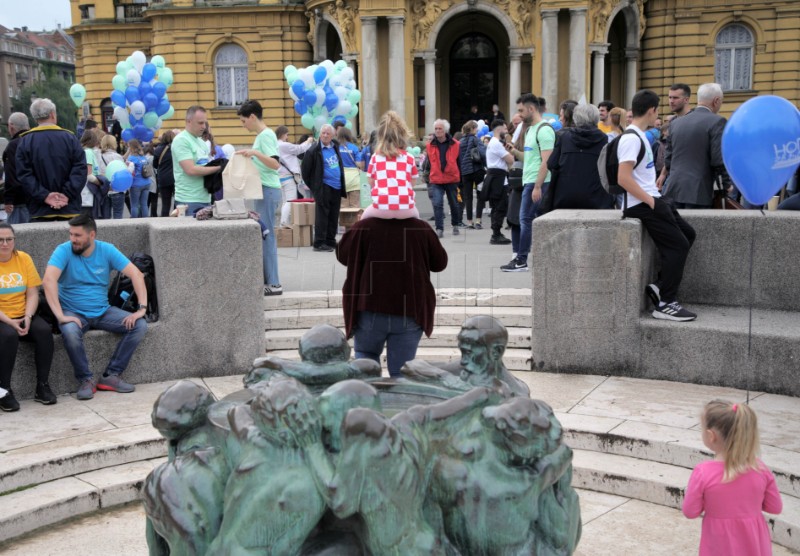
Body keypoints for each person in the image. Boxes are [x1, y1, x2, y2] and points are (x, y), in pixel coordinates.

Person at [336, 184, 448, 376]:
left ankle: (368, 403)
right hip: (410, 311)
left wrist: (359, 223)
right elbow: (440, 263)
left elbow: (343, 255)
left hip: (369, 309)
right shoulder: (421, 228)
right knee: (402, 374)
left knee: (366, 367)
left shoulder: (362, 227)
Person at [42, 214, 149, 400]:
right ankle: (85, 380)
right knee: (69, 332)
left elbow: (137, 275)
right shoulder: (63, 250)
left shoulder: (107, 250)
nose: (72, 239)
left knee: (140, 325)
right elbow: (49, 280)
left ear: (92, 235)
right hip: (72, 312)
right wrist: (60, 315)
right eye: (71, 234)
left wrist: (142, 309)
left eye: (77, 235)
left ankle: (111, 376)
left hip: (103, 311)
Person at [617, 89, 697, 321]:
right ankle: (666, 303)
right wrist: (653, 202)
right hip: (642, 204)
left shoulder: (640, 135)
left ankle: (661, 285)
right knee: (678, 246)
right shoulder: (631, 138)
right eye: (657, 109)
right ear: (652, 110)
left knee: (688, 235)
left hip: (652, 199)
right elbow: (623, 178)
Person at [682, 400, 783, 555]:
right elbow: (775, 507)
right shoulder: (761, 469)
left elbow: (690, 511)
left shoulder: (703, 472)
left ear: (711, 435)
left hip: (719, 546)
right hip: (754, 546)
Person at [0, 223, 57, 411]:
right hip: (2, 317)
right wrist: (10, 322)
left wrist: (28, 316)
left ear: (14, 240)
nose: (5, 243)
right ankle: (3, 390)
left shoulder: (23, 258)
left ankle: (42, 386)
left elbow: (33, 293)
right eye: (0, 240)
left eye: (9, 239)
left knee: (44, 331)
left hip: (24, 312)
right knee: (8, 336)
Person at [501, 94, 555, 273]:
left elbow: (546, 161)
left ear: (531, 109)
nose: (519, 114)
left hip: (537, 182)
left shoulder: (544, 130)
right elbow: (530, 158)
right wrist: (514, 151)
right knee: (528, 220)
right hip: (530, 181)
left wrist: (538, 186)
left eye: (521, 110)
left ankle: (521, 260)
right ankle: (524, 258)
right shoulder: (531, 130)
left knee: (526, 220)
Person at [236, 100, 283, 296]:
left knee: (267, 235)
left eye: (243, 120)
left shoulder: (266, 135)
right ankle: (270, 280)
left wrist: (254, 152)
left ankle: (274, 283)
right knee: (264, 234)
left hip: (267, 189)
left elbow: (275, 163)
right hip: (263, 189)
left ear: (252, 117)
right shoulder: (264, 135)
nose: (243, 124)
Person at [15, 98, 85, 222]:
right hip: (69, 209)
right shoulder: (70, 138)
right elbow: (80, 169)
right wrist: (66, 194)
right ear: (53, 114)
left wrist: (44, 196)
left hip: (39, 209)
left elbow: (24, 175)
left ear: (35, 118)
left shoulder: (25, 141)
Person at [662, 83, 731, 209]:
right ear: (716, 101)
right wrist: (726, 185)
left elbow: (668, 159)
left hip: (673, 190)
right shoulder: (717, 122)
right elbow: (718, 160)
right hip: (699, 192)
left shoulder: (675, 123)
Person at [546, 104, 614, 209]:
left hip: (566, 196)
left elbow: (551, 163)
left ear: (575, 118)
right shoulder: (605, 140)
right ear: (596, 119)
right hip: (598, 198)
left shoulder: (564, 137)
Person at [361, 111, 420, 220]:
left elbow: (370, 181)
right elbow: (413, 182)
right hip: (406, 208)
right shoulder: (409, 158)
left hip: (381, 207)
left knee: (362, 221)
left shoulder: (375, 157)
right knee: (418, 222)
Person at [301, 124, 346, 252]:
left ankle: (330, 241)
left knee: (333, 215)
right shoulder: (313, 150)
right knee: (322, 216)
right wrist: (315, 187)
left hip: (336, 187)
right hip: (323, 187)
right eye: (323, 133)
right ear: (319, 134)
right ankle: (319, 242)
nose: (325, 135)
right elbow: (305, 171)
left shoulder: (335, 146)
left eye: (328, 133)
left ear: (333, 135)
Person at [171, 106, 222, 217]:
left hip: (205, 198)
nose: (204, 127)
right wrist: (219, 168)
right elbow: (191, 170)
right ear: (188, 121)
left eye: (205, 123)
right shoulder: (181, 140)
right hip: (188, 200)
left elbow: (205, 166)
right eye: (200, 123)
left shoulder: (201, 141)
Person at [425, 119, 461, 238]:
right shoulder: (429, 145)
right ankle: (439, 228)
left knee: (454, 204)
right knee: (437, 203)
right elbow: (428, 162)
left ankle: (455, 224)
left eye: (440, 128)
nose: (437, 131)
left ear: (445, 130)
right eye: (436, 129)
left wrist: (461, 178)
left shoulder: (456, 144)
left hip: (451, 178)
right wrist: (426, 175)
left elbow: (459, 162)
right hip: (436, 179)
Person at [482, 119, 513, 244]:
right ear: (499, 129)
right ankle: (496, 234)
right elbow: (510, 159)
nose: (506, 132)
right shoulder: (496, 143)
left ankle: (496, 232)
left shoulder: (494, 142)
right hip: (497, 178)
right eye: (505, 129)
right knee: (499, 206)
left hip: (497, 176)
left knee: (497, 206)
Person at [276, 125, 314, 226]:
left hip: (279, 176)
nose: (287, 137)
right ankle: (283, 223)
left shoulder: (274, 145)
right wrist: (308, 141)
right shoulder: (283, 145)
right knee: (289, 200)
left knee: (285, 201)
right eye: (287, 134)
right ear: (283, 134)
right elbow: (299, 149)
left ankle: (283, 223)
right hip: (288, 177)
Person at [657, 84, 692, 190]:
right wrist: (663, 174)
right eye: (670, 97)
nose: (671, 101)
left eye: (675, 98)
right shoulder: (672, 122)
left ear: (686, 100)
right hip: (673, 177)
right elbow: (670, 153)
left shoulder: (693, 121)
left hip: (689, 180)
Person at [2, 112, 32, 224]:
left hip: (19, 200)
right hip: (39, 198)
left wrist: (8, 199)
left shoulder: (13, 145)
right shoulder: (35, 140)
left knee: (16, 235)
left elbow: (11, 174)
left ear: (11, 126)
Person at [458, 120, 485, 229]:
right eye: (476, 128)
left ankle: (469, 222)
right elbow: (483, 153)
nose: (477, 130)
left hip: (465, 172)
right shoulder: (476, 139)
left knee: (468, 197)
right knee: (480, 196)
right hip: (477, 170)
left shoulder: (460, 142)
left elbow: (458, 157)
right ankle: (478, 221)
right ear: (472, 129)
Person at [99, 135, 126, 219]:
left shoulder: (98, 156)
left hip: (104, 189)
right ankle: (118, 232)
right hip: (117, 189)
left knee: (106, 216)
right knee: (118, 214)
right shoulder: (117, 156)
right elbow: (123, 172)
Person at [335, 127, 363, 209]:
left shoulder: (336, 147)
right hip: (354, 180)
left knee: (343, 207)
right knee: (355, 207)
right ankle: (354, 222)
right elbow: (359, 164)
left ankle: (344, 222)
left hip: (341, 180)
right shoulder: (354, 147)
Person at [124, 139, 151, 218]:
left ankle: (134, 222)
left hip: (136, 184)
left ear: (131, 148)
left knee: (134, 205)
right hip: (147, 182)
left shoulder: (131, 158)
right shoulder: (143, 157)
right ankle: (145, 221)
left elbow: (127, 168)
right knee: (144, 204)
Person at [153, 131, 175, 217]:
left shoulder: (158, 149)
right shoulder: (175, 148)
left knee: (165, 204)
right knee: (177, 203)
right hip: (175, 178)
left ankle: (164, 222)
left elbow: (155, 164)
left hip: (162, 178)